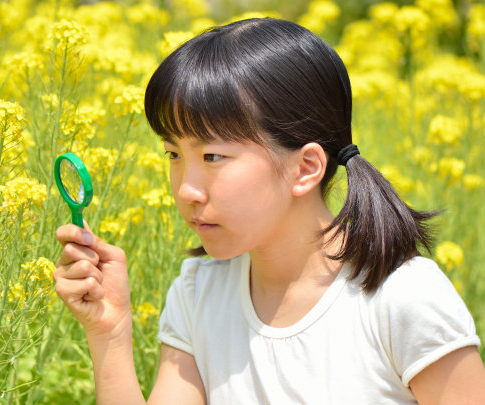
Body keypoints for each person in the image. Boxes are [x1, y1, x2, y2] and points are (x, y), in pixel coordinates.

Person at [53, 18, 485, 404]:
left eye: (213, 157)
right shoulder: (198, 293)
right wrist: (109, 333)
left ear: (305, 168)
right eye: (172, 155)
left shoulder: (401, 298)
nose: (185, 189)